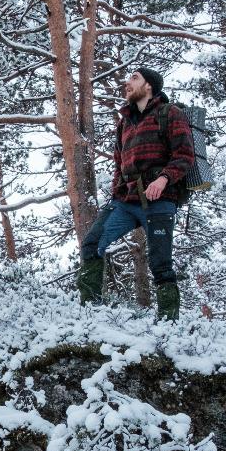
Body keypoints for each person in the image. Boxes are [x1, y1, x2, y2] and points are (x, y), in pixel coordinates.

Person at [78, 67, 196, 318]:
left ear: (149, 86)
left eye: (134, 78)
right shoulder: (125, 123)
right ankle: (89, 314)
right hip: (126, 201)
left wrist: (164, 179)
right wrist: (116, 193)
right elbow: (119, 163)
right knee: (91, 243)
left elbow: (184, 156)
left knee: (160, 264)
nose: (127, 83)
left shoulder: (170, 113)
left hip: (160, 201)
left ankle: (169, 324)